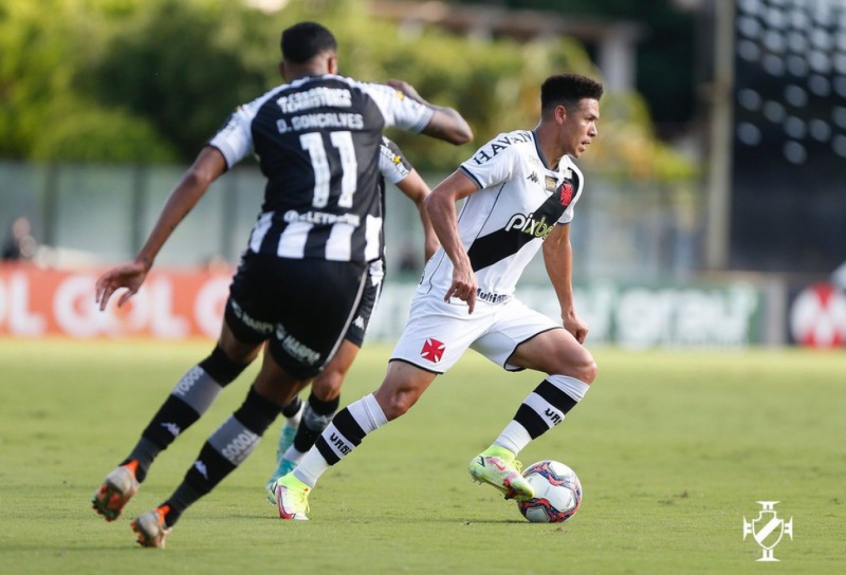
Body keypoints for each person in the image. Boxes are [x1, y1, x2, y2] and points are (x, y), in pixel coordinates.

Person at [91, 21, 472, 548]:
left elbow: (199, 175)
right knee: (262, 402)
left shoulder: (263, 107)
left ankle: (135, 463)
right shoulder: (373, 101)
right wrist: (415, 99)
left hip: (270, 259)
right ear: (333, 63)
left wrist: (144, 258)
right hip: (335, 275)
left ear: (283, 69)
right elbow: (459, 131)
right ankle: (167, 513)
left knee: (221, 363)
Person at [273, 73, 603, 520]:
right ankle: (295, 481)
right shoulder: (511, 151)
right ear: (561, 114)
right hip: (451, 295)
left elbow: (557, 243)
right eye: (589, 118)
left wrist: (567, 308)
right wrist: (461, 264)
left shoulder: (570, 182)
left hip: (500, 306)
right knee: (395, 400)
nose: (594, 130)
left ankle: (499, 456)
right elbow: (439, 200)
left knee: (579, 367)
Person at [263, 135, 439, 503]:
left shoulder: (374, 142)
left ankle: (293, 462)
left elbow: (425, 195)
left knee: (329, 382)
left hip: (361, 273)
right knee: (280, 373)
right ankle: (294, 418)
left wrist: (432, 243)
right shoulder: (294, 135)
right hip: (303, 263)